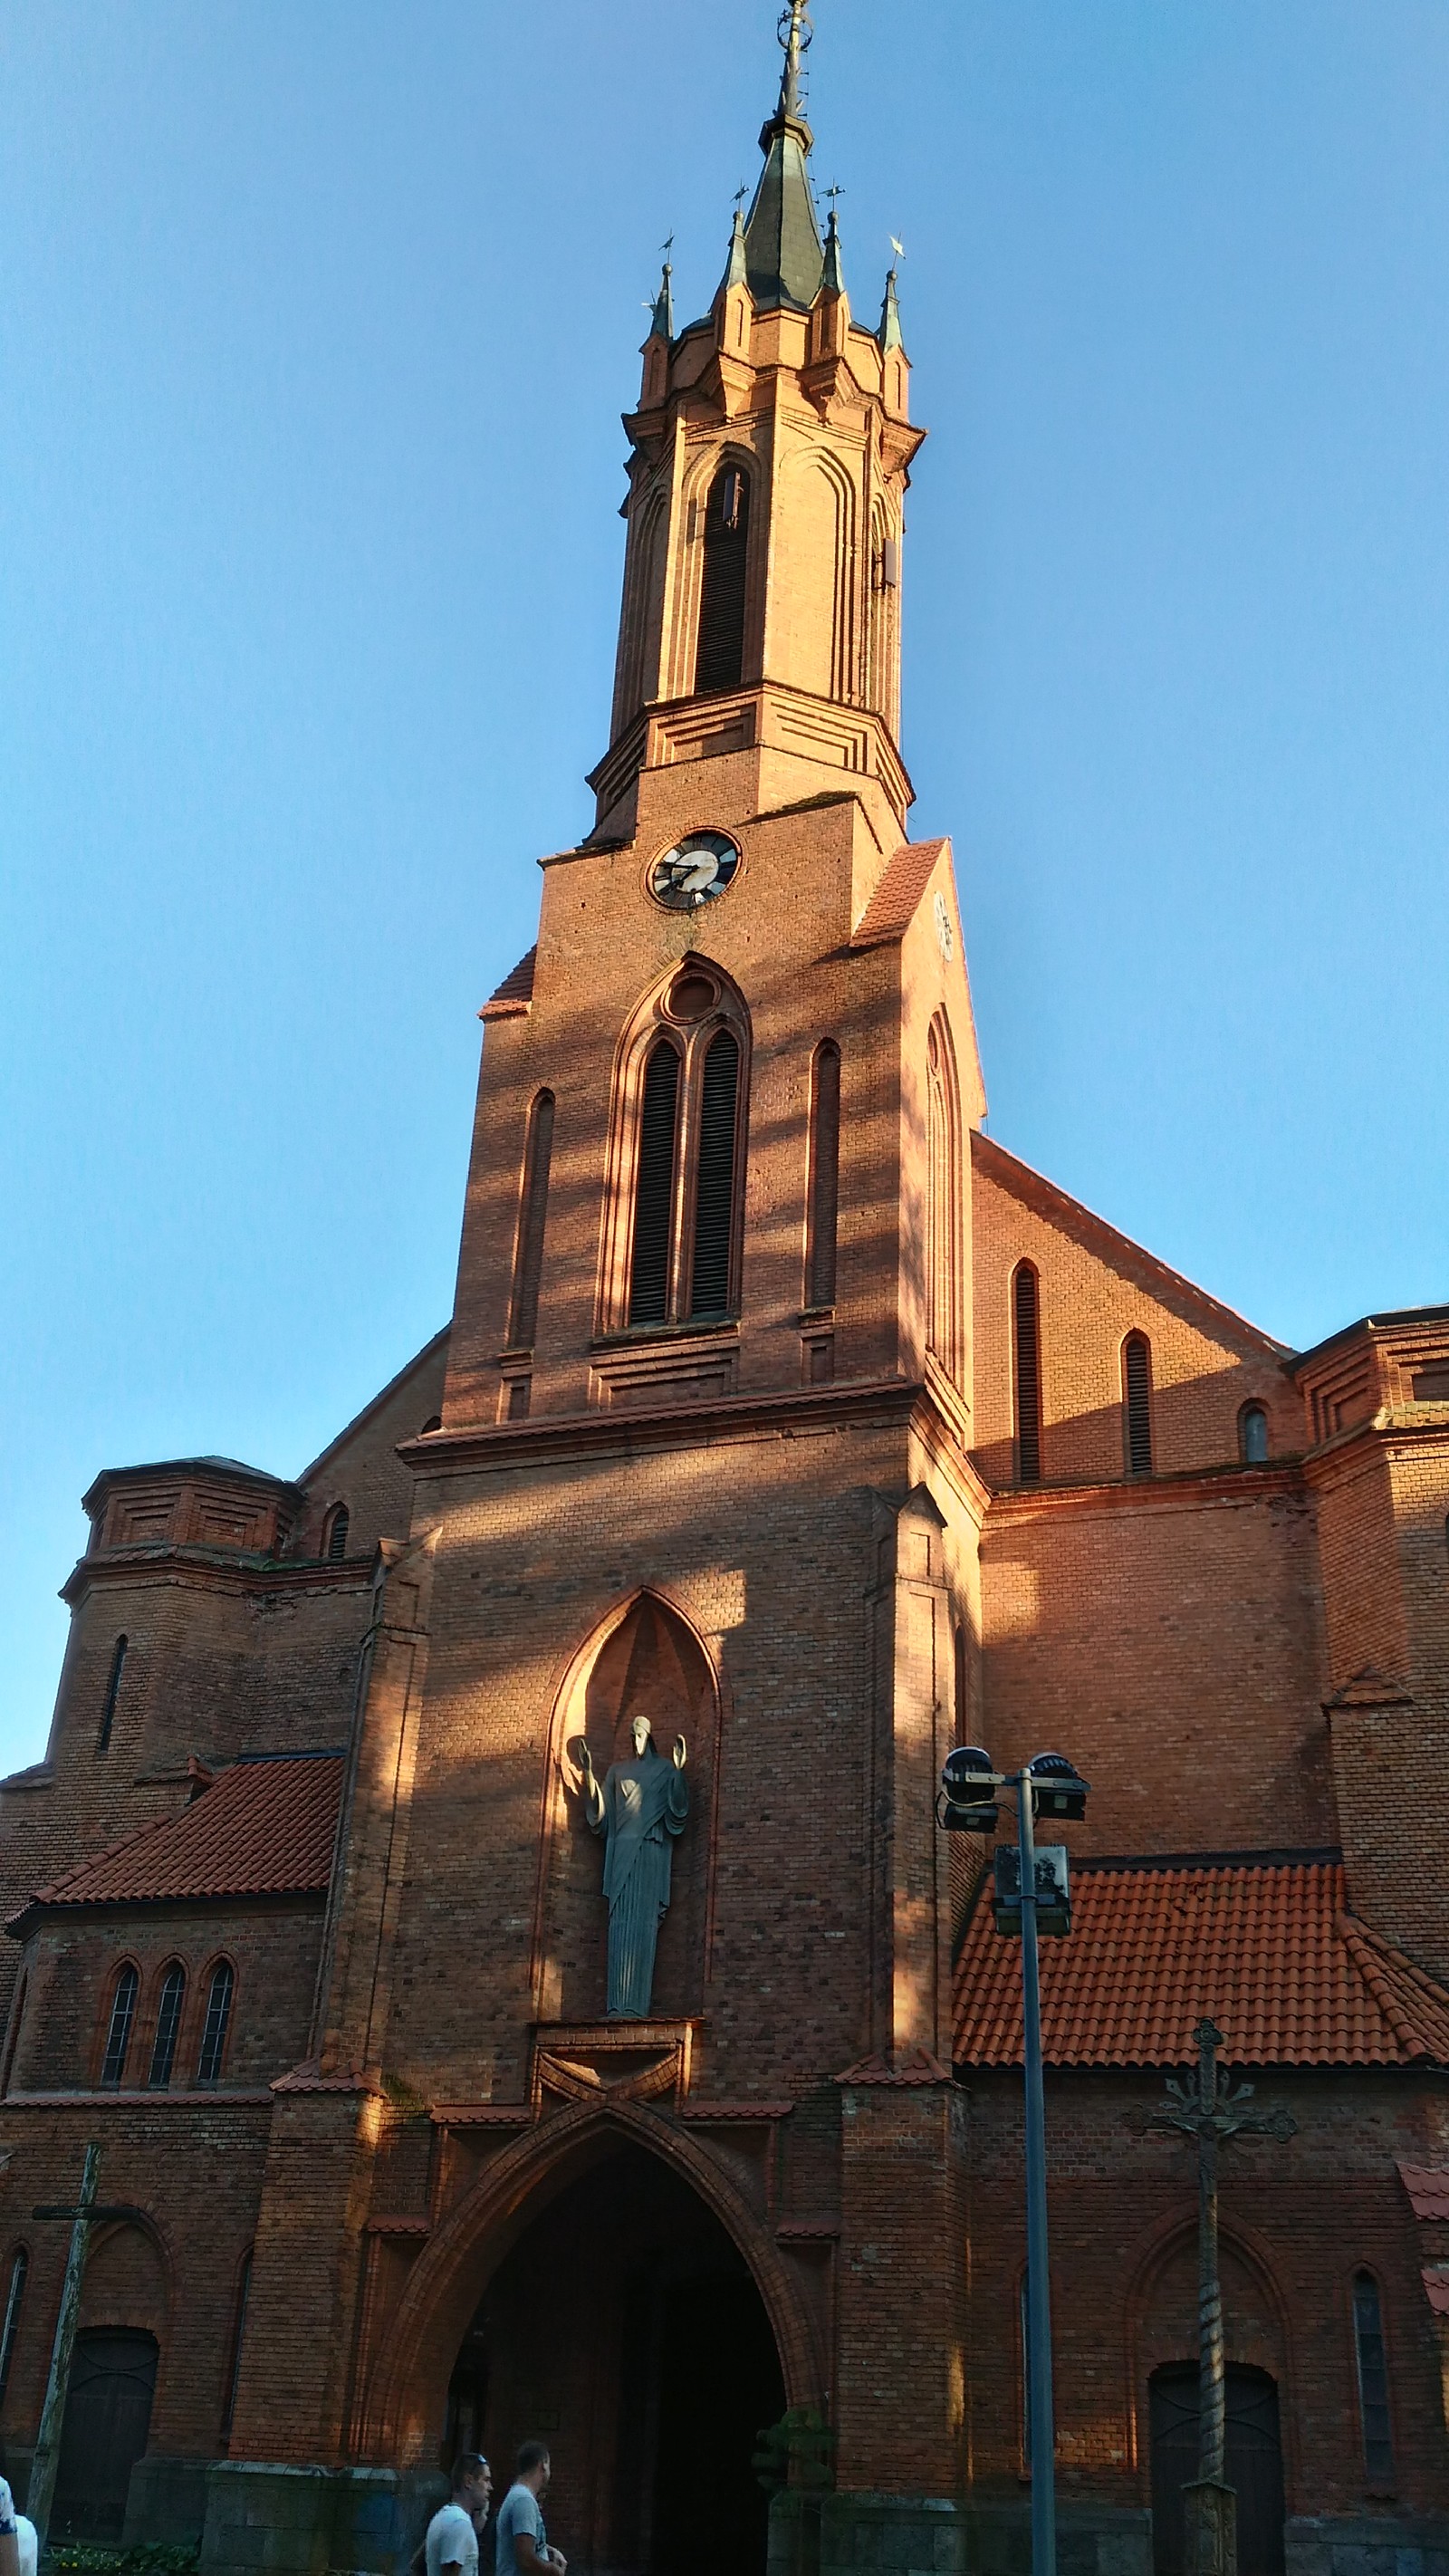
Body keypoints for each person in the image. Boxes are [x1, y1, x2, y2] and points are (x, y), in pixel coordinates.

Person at [494, 2441, 565, 2576]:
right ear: (543, 2465)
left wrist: (549, 2550)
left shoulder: (520, 2497)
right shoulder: (523, 2500)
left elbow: (522, 2542)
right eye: (549, 2465)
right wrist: (552, 2570)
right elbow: (526, 2559)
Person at [424, 2452, 493, 2576]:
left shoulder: (445, 2516)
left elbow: (416, 2565)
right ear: (469, 2481)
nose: (490, 2487)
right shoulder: (459, 2523)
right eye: (486, 2480)